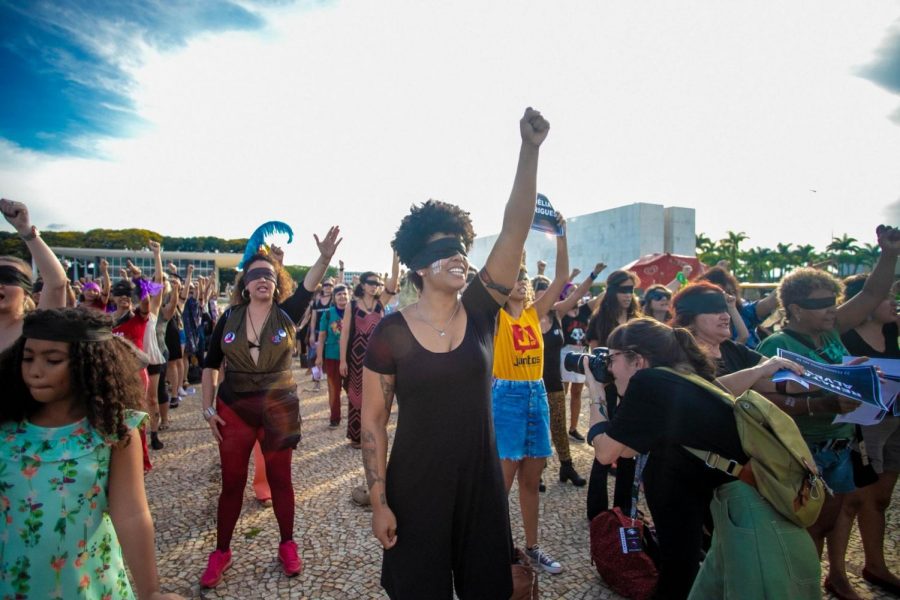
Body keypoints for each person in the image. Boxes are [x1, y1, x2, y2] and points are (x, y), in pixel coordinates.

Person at [361, 107, 549, 599]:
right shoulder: (391, 333)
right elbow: (373, 423)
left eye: (463, 247)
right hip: (415, 488)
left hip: (482, 488)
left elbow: (515, 229)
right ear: (420, 266)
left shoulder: (482, 312)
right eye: (447, 249)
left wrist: (529, 151)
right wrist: (380, 501)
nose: (460, 256)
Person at [585, 317, 820, 599]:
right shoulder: (681, 379)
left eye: (612, 359)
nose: (609, 369)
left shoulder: (649, 381)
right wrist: (760, 370)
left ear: (638, 359)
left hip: (748, 511)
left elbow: (606, 452)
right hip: (742, 502)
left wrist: (595, 391)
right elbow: (628, 449)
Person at [756, 224, 899, 600]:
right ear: (796, 309)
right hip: (802, 451)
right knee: (802, 531)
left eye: (832, 301)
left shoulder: (831, 331)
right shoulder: (778, 344)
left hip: (838, 445)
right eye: (820, 304)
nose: (831, 310)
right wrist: (826, 398)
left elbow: (872, 293)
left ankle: (816, 586)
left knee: (825, 525)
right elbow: (766, 398)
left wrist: (889, 253)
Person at [0, 308, 182, 600]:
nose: (35, 370)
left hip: (91, 586)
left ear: (88, 363)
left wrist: (151, 592)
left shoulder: (114, 429)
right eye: (28, 357)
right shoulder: (6, 430)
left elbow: (131, 514)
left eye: (53, 360)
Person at [199, 227, 340, 588]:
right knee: (231, 483)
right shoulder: (226, 320)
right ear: (244, 284)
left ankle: (287, 544)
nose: (263, 279)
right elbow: (211, 364)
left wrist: (323, 258)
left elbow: (310, 285)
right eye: (255, 275)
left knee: (281, 481)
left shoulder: (288, 314)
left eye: (269, 275)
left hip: (279, 408)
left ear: (277, 283)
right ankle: (222, 551)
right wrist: (206, 407)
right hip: (233, 408)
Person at [492, 212, 571, 574]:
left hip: (535, 396)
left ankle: (533, 546)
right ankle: (494, 547)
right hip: (505, 398)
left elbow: (560, 279)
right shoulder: (496, 318)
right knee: (501, 483)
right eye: (516, 278)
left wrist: (561, 236)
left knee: (531, 478)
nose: (522, 283)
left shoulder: (536, 313)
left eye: (524, 278)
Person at [826, 275, 900, 599]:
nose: (894, 302)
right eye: (888, 297)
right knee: (851, 498)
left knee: (881, 497)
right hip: (860, 423)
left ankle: (876, 565)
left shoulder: (892, 331)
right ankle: (837, 573)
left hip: (893, 419)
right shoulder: (845, 335)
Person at [584, 269, 641, 519]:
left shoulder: (638, 319)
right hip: (608, 390)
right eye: (623, 290)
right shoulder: (600, 319)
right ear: (612, 291)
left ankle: (624, 507)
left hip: (634, 390)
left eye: (632, 290)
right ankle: (597, 509)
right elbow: (596, 359)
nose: (628, 295)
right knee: (603, 449)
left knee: (630, 447)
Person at [340, 254, 400, 446]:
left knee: (376, 396)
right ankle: (356, 436)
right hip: (356, 356)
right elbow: (345, 334)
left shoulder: (381, 302)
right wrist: (342, 360)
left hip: (378, 354)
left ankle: (372, 433)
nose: (375, 286)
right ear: (363, 285)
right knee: (356, 396)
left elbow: (394, 279)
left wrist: (395, 258)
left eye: (378, 283)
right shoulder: (352, 305)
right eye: (371, 282)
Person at [0, 198, 68, 351]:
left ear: (26, 293)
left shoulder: (35, 327)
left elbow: (56, 283)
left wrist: (25, 229)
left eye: (8, 277)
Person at [558, 266, 604, 442]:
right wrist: (571, 276)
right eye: (571, 291)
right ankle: (559, 426)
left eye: (576, 290)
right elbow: (559, 288)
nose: (576, 292)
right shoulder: (560, 312)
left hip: (582, 351)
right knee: (562, 393)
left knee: (577, 392)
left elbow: (601, 298)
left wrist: (613, 284)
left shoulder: (585, 309)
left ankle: (573, 428)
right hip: (565, 352)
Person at [316, 283, 350, 430]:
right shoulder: (328, 314)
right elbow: (322, 336)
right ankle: (335, 417)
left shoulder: (353, 312)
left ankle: (356, 419)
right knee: (334, 389)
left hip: (351, 357)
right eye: (339, 294)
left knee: (353, 389)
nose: (342, 296)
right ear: (334, 298)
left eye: (344, 294)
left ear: (349, 296)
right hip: (332, 356)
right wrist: (319, 356)